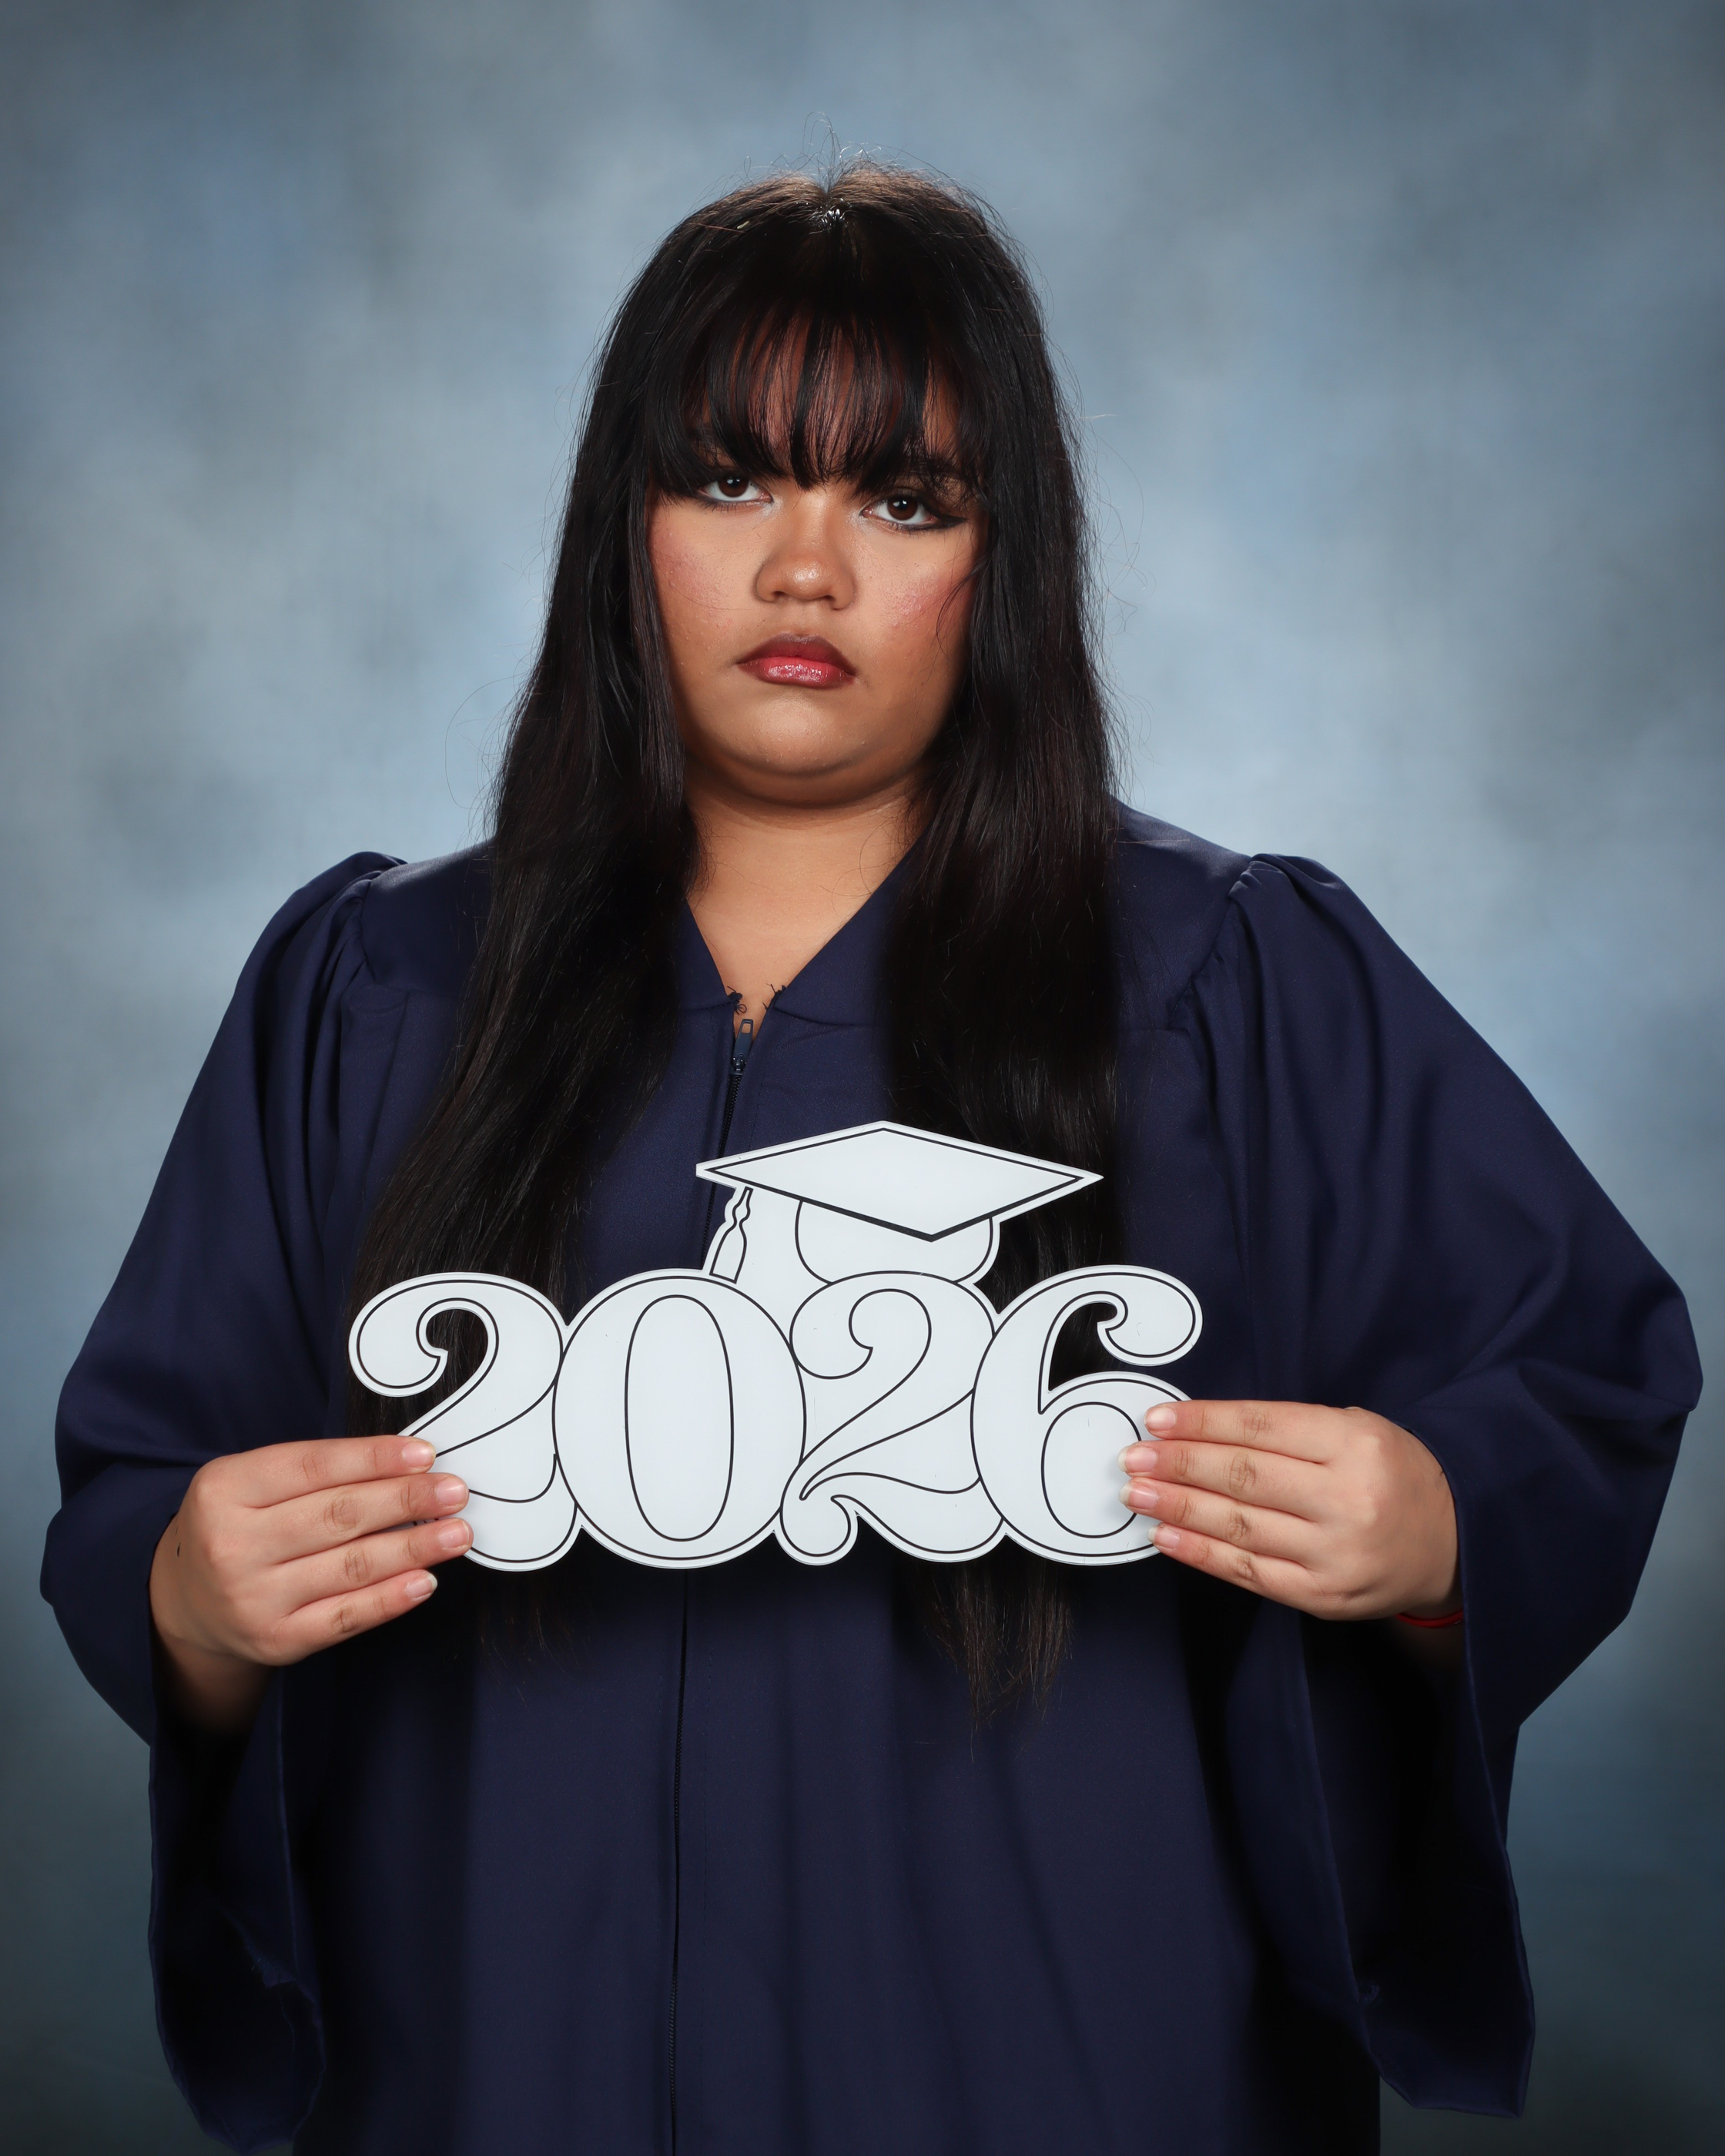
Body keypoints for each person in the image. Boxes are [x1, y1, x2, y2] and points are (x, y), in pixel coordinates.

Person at [42, 164, 1699, 2156]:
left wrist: (1435, 1525)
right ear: (623, 527)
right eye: (728, 478)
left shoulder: (1227, 982)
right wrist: (192, 1596)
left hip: (1071, 2080)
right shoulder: (379, 988)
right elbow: (141, 1486)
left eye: (905, 499)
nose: (805, 570)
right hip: (495, 2063)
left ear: (1006, 560)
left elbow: (1580, 1371)